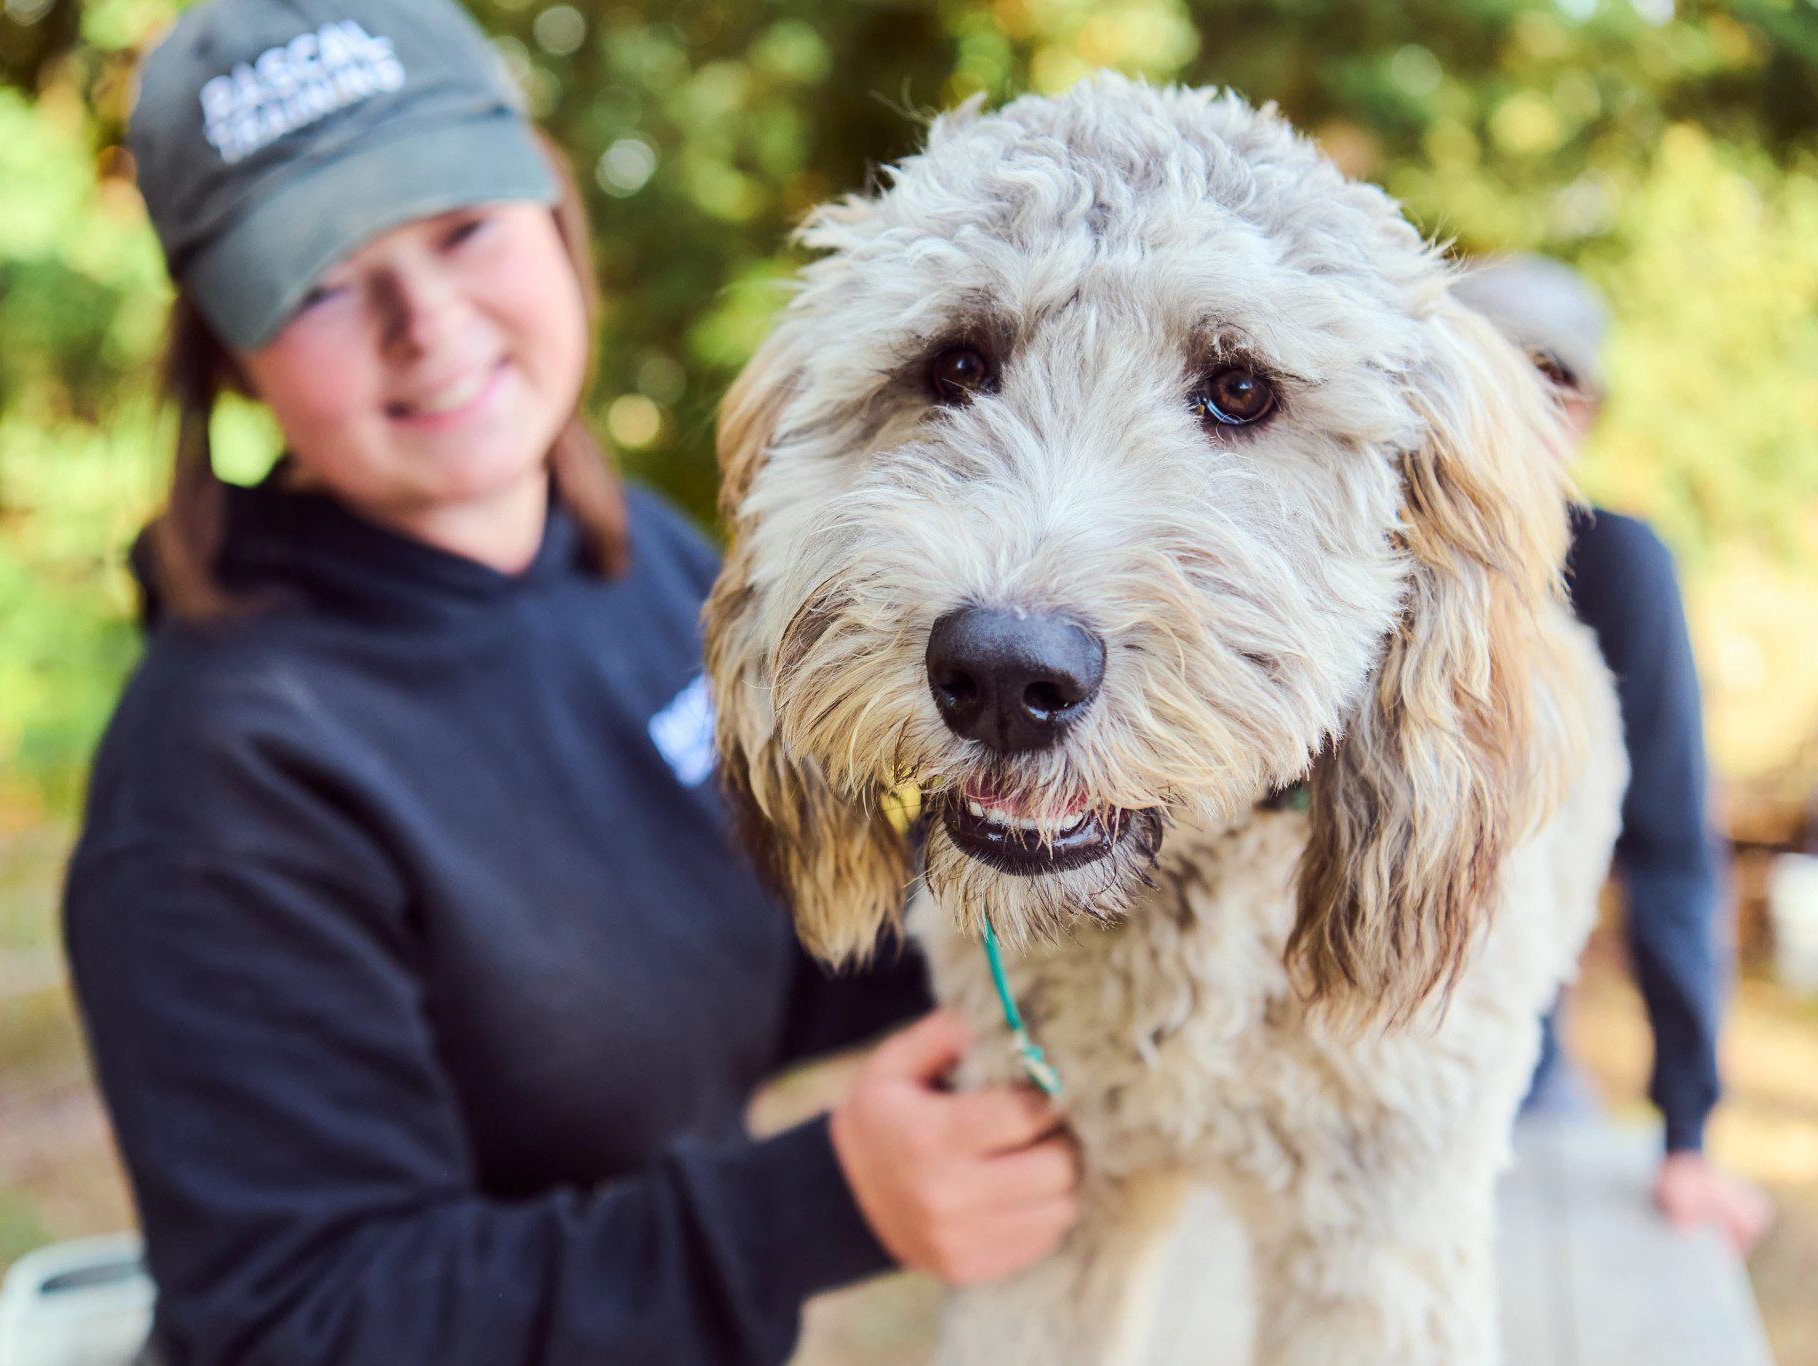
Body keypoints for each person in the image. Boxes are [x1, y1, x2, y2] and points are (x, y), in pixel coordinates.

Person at [63, 3, 1078, 1363]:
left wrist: (1099, 853)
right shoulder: (219, 779)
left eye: (460, 225)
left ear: (550, 203)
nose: (425, 323)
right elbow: (296, 1320)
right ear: (226, 351)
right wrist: (818, 1204)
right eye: (319, 280)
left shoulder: (636, 561)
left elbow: (785, 932)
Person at [1454, 255, 1774, 1254]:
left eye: (1555, 383)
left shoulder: (1615, 570)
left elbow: (1672, 849)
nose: (1526, 408)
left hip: (1517, 1062)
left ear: (1586, 411)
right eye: (1497, 370)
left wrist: (1686, 1130)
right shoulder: (1345, 555)